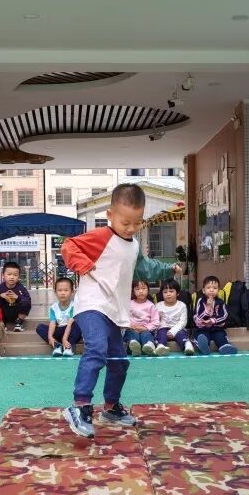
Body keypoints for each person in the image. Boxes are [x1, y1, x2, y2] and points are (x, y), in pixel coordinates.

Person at [59, 183, 180, 437]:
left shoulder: (133, 246)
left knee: (120, 361)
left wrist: (169, 269)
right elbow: (69, 246)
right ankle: (80, 405)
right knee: (97, 349)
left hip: (114, 311)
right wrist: (82, 263)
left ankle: (111, 407)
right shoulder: (101, 236)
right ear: (110, 215)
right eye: (125, 222)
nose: (131, 228)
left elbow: (146, 269)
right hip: (92, 305)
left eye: (137, 222)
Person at [36, 276, 81, 357]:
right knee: (40, 327)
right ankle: (57, 346)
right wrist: (50, 337)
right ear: (55, 292)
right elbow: (52, 323)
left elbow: (69, 324)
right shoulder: (53, 307)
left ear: (72, 292)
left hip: (71, 332)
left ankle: (69, 347)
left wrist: (64, 338)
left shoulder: (74, 306)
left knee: (77, 325)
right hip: (60, 330)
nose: (62, 293)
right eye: (59, 290)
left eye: (66, 290)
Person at [193, 275, 236, 355]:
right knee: (202, 335)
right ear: (203, 290)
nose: (211, 290)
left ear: (218, 290)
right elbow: (198, 315)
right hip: (203, 328)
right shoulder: (201, 301)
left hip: (216, 328)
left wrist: (212, 321)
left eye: (215, 288)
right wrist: (208, 308)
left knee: (220, 335)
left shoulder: (220, 302)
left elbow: (224, 316)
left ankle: (224, 346)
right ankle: (203, 345)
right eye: (208, 288)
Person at [155, 278, 195, 356]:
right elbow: (156, 321)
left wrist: (173, 331)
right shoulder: (158, 306)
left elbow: (183, 322)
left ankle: (187, 346)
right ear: (162, 294)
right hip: (163, 328)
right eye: (165, 292)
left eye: (171, 291)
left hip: (178, 328)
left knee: (181, 334)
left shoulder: (182, 305)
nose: (168, 294)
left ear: (177, 293)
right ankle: (161, 346)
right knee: (161, 334)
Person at [125, 279, 161, 356]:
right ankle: (134, 348)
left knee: (146, 335)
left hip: (145, 329)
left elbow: (156, 322)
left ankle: (149, 346)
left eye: (144, 288)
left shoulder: (151, 305)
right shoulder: (128, 304)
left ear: (148, 290)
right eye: (137, 289)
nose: (141, 291)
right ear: (133, 291)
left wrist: (146, 328)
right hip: (132, 329)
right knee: (132, 335)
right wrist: (131, 326)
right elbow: (124, 317)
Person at [0, 261, 31, 332]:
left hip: (17, 313)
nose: (12, 277)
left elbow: (28, 300)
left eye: (15, 275)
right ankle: (2, 324)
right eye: (9, 274)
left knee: (26, 302)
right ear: (3, 275)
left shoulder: (21, 288)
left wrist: (17, 297)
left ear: (19, 276)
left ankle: (19, 323)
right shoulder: (0, 288)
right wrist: (1, 296)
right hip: (4, 313)